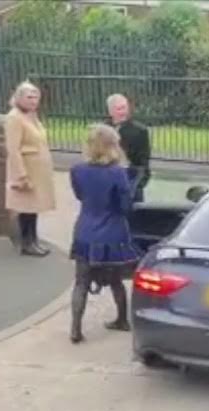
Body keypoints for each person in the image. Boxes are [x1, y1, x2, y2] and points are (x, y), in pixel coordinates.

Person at [67, 124, 141, 344]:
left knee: (80, 282)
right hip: (113, 233)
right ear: (113, 146)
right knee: (116, 281)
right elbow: (126, 206)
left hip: (85, 231)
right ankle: (121, 320)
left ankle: (75, 329)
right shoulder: (118, 174)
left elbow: (81, 196)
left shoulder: (77, 170)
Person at [4, 81, 54, 257]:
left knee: (34, 208)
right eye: (29, 97)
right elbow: (13, 149)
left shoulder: (32, 116)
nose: (33, 101)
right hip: (26, 170)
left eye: (36, 97)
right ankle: (26, 243)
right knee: (26, 208)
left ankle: (33, 240)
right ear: (19, 97)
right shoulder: (14, 117)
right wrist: (21, 175)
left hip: (37, 171)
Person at [103, 94, 151, 203]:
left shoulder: (140, 131)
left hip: (130, 182)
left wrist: (137, 186)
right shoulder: (102, 130)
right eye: (119, 109)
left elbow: (143, 163)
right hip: (106, 182)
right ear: (110, 111)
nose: (123, 112)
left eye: (124, 107)